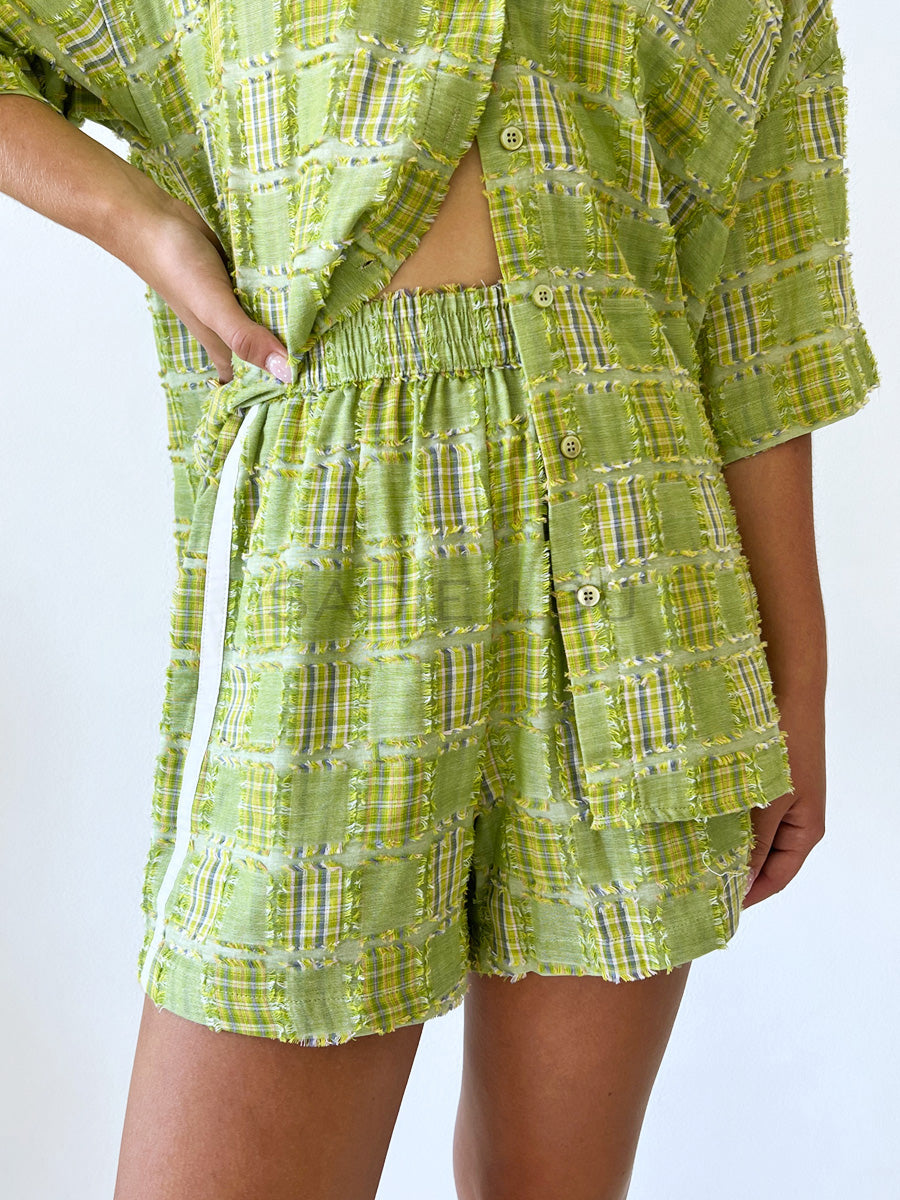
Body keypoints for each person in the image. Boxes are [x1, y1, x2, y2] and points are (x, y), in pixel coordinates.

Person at [0, 2, 879, 1198]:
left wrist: (798, 680)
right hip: (331, 570)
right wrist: (138, 221)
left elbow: (764, 329)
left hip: (640, 581)